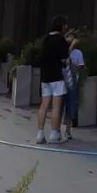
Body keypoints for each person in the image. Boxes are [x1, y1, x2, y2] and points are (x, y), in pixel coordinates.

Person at [36, 15, 71, 144]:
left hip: (45, 76)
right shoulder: (61, 39)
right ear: (61, 26)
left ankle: (40, 134)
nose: (66, 27)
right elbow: (65, 57)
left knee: (44, 105)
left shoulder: (45, 39)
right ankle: (55, 134)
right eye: (65, 25)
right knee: (56, 107)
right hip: (57, 76)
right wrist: (70, 44)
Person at [62, 32, 86, 139]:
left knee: (71, 105)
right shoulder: (62, 51)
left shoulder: (78, 53)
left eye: (72, 37)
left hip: (72, 82)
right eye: (68, 37)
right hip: (61, 81)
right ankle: (57, 130)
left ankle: (68, 130)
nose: (70, 39)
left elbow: (80, 67)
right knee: (60, 105)